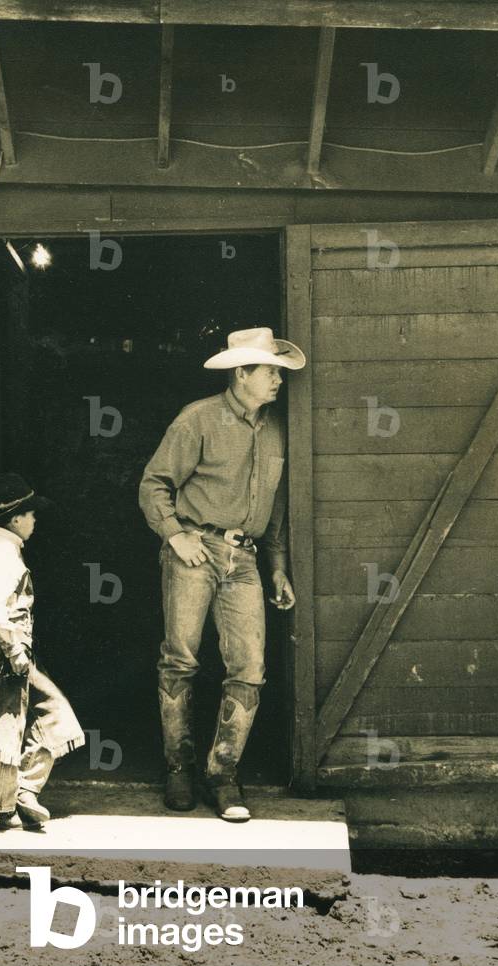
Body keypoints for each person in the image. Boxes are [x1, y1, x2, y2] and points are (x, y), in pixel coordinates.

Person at [139, 327, 306, 823]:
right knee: (180, 659)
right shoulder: (198, 419)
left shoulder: (277, 429)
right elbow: (154, 485)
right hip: (195, 550)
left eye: (278, 370)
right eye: (270, 370)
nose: (278, 379)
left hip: (247, 560)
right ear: (241, 374)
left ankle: (223, 775)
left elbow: (275, 511)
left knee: (250, 669)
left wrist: (276, 568)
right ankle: (179, 770)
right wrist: (176, 536)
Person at [0, 472, 85, 830]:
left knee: (53, 710)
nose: (35, 521)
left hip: (1, 648)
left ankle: (23, 790)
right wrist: (15, 651)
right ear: (15, 519)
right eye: (30, 515)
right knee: (8, 723)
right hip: (8, 648)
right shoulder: (6, 553)